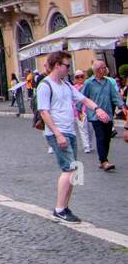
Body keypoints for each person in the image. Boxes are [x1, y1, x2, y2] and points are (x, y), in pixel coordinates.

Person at [36, 51, 110, 223]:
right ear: (57, 66)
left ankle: (64, 206)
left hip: (69, 131)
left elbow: (83, 99)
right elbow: (44, 112)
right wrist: (57, 133)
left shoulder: (66, 85)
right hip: (58, 132)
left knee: (72, 169)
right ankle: (59, 209)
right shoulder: (45, 86)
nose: (69, 69)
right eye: (67, 65)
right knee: (69, 169)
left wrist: (98, 109)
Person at [80, 59, 122, 172]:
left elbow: (115, 97)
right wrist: (79, 110)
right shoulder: (89, 83)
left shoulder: (108, 82)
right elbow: (82, 97)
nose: (106, 68)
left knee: (107, 138)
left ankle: (103, 159)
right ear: (99, 70)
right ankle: (104, 161)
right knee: (101, 136)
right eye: (104, 67)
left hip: (108, 115)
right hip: (95, 116)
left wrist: (123, 106)